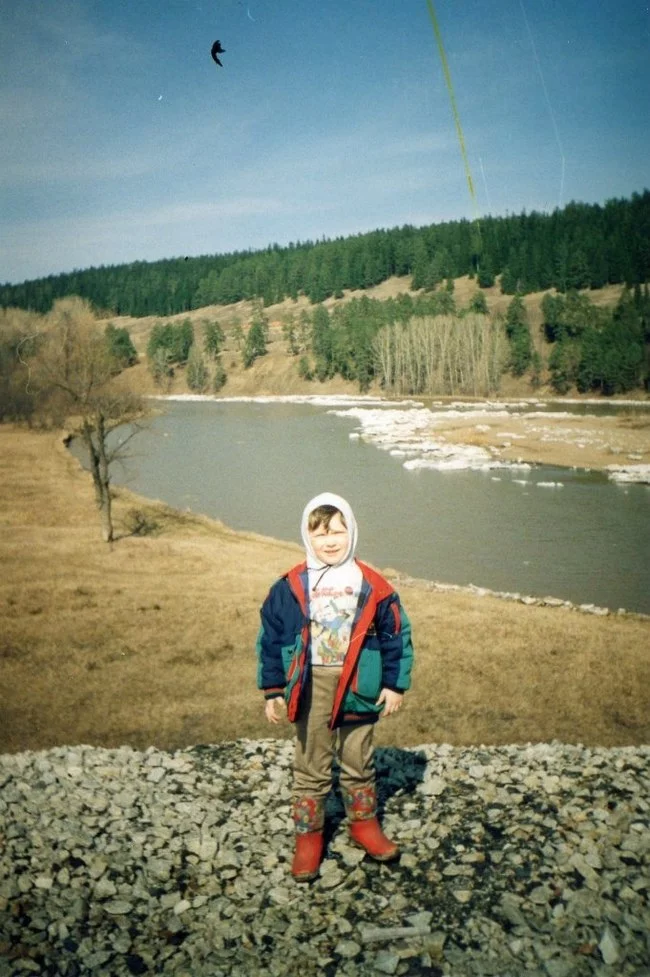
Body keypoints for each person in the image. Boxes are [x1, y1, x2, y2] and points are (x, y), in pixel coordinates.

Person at [256, 492, 414, 882]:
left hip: (361, 682)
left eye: (338, 532)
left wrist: (394, 685)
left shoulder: (372, 585)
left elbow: (397, 635)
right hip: (310, 683)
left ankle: (364, 825)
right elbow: (270, 639)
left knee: (358, 758)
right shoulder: (289, 586)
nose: (330, 541)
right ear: (307, 535)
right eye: (320, 532)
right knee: (311, 762)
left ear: (352, 532)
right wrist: (274, 689)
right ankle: (309, 836)